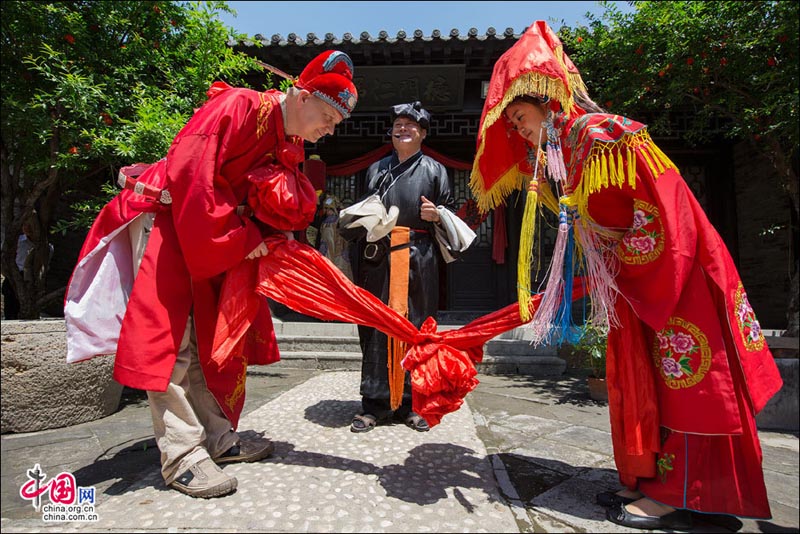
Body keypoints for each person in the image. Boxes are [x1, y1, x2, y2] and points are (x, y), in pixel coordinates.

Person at [469, 21, 783, 531]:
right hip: (638, 287)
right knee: (642, 382)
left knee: (693, 382)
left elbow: (668, 211)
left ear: (551, 102)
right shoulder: (567, 153)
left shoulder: (609, 136)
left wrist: (621, 257)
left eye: (523, 118)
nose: (520, 132)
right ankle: (648, 478)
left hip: (676, 281)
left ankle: (686, 496)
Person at [64, 50, 358, 498]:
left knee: (209, 337)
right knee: (173, 339)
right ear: (300, 96)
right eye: (327, 116)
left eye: (336, 122)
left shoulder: (289, 142)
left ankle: (218, 440)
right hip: (172, 220)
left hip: (217, 235)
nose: (330, 129)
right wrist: (242, 239)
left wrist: (258, 235)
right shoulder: (237, 106)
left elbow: (278, 203)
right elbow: (191, 179)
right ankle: (182, 457)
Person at [340, 101, 467, 433]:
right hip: (378, 255)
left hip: (419, 254)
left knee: (416, 328)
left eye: (411, 125)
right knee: (376, 324)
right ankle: (374, 403)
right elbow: (360, 209)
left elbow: (450, 213)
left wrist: (437, 215)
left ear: (423, 134)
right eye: (398, 124)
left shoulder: (436, 169)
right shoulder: (375, 169)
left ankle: (414, 402)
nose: (403, 129)